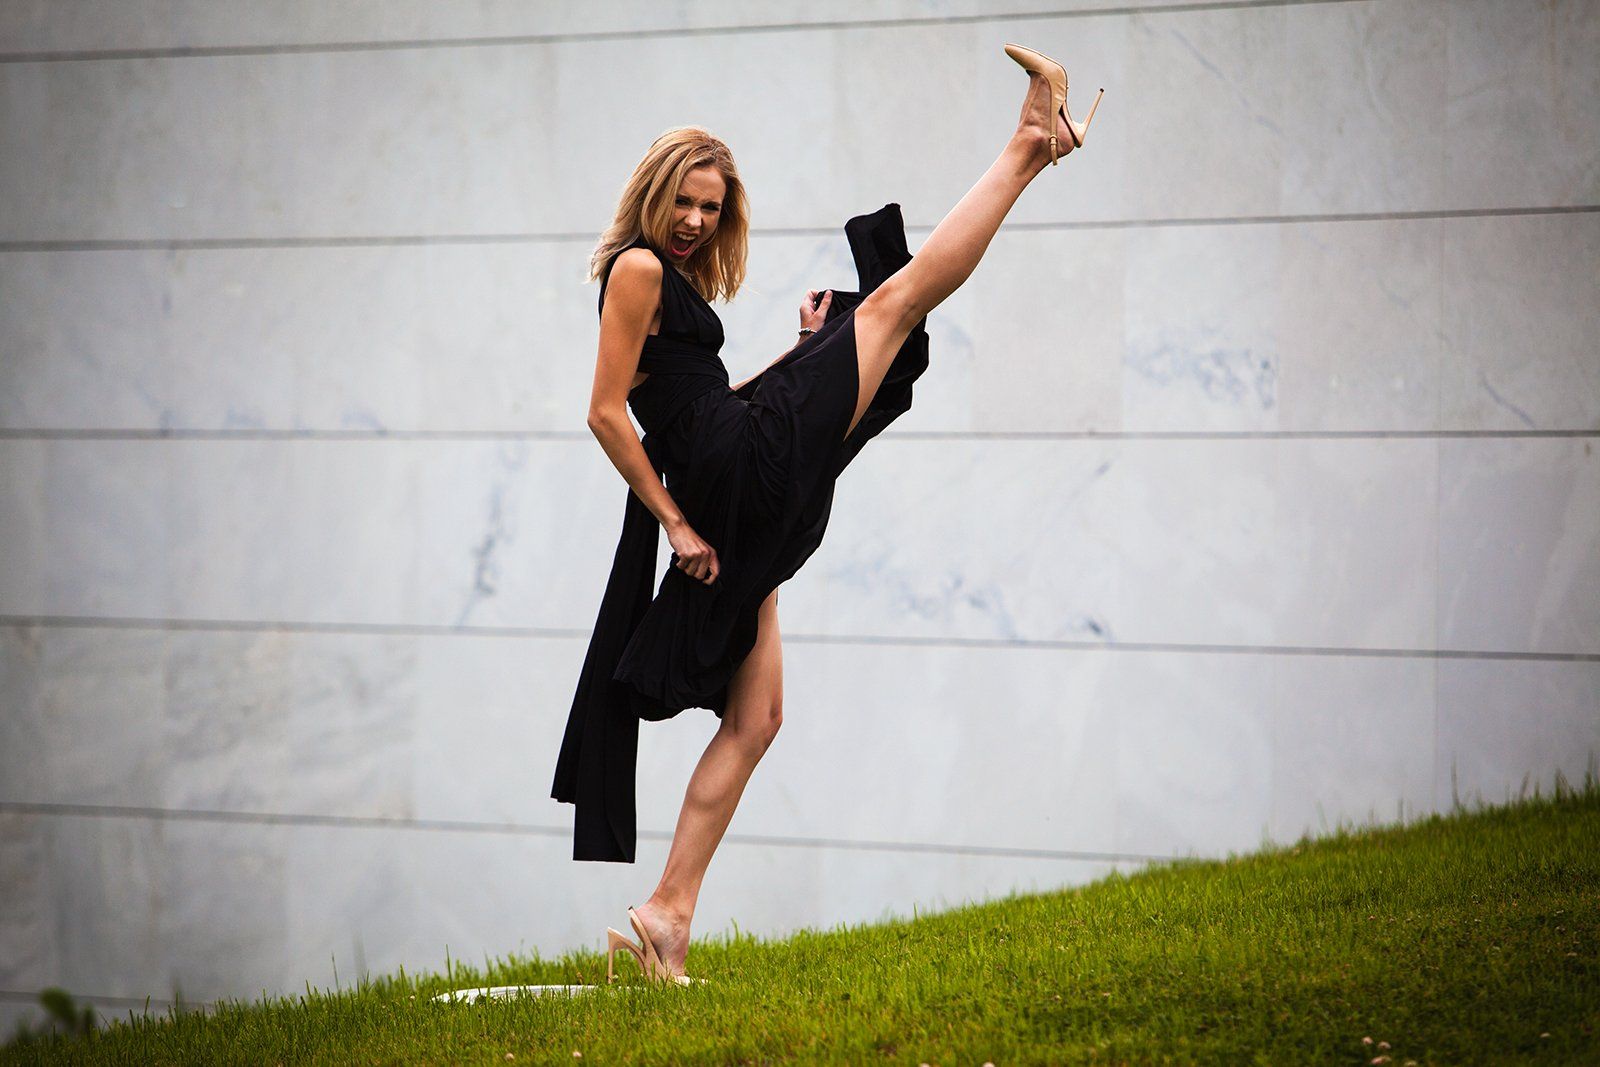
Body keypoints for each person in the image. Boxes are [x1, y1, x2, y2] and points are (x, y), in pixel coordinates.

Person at [551, 42, 1103, 984]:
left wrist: (808, 352)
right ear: (652, 193)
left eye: (711, 208)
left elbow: (698, 398)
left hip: (734, 475)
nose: (694, 222)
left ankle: (666, 917)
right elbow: (606, 412)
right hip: (727, 482)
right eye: (683, 201)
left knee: (758, 718)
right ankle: (1029, 143)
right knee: (895, 301)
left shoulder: (673, 282)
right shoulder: (636, 268)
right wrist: (675, 523)